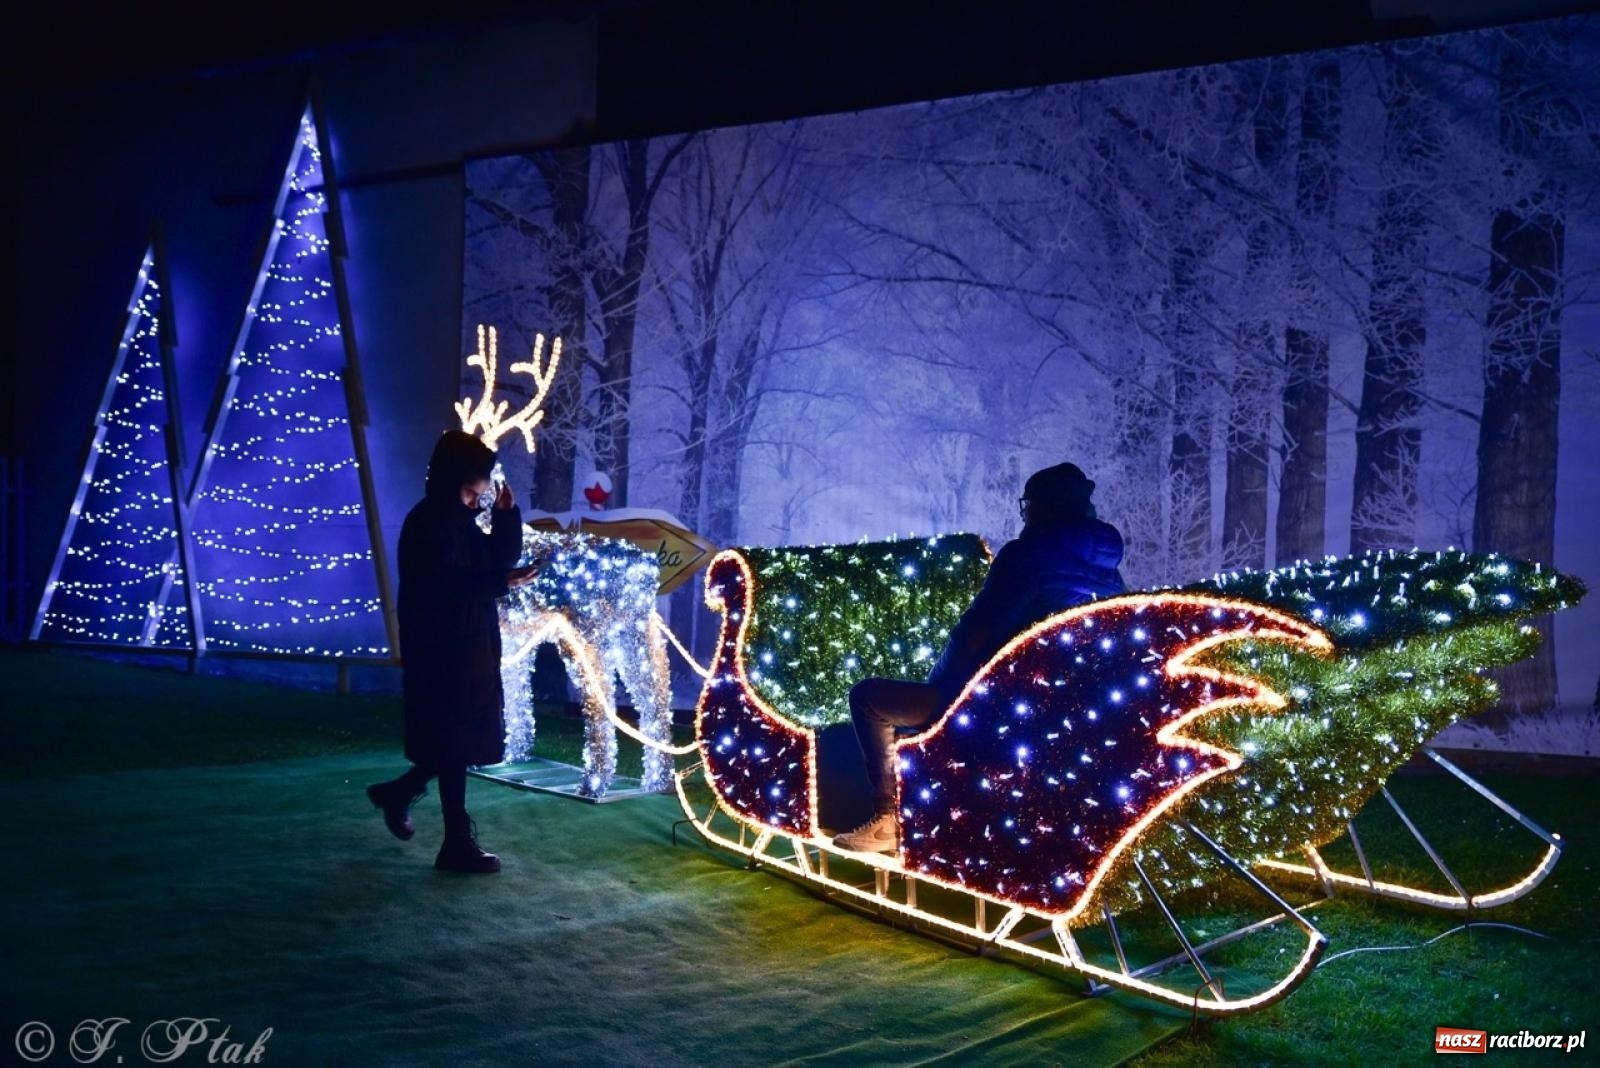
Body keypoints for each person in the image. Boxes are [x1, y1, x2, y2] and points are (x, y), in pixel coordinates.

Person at [833, 462, 1126, 853]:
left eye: (1028, 505)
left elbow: (980, 628)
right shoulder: (1108, 571)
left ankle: (889, 818)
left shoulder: (1026, 556)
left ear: (1042, 507)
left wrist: (941, 687)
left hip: (994, 705)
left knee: (868, 698)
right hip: (1063, 708)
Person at [366, 431, 539, 873]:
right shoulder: (429, 523)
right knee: (455, 741)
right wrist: (503, 582)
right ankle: (453, 841)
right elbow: (445, 584)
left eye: (477, 493)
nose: (473, 500)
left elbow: (492, 563)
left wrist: (506, 518)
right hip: (443, 649)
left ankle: (406, 797)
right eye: (469, 491)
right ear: (451, 480)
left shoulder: (457, 521)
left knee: (454, 741)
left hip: (466, 646)